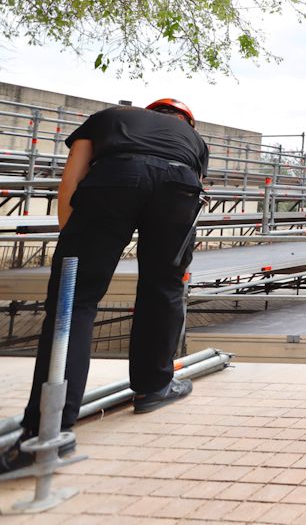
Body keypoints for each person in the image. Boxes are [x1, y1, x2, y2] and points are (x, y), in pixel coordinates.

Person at [1, 99, 208, 475]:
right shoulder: (193, 141)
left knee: (75, 301)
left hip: (116, 178)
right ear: (185, 122)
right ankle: (154, 387)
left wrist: (75, 246)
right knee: (163, 289)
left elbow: (72, 181)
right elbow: (193, 192)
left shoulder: (108, 119)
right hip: (180, 186)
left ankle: (47, 430)